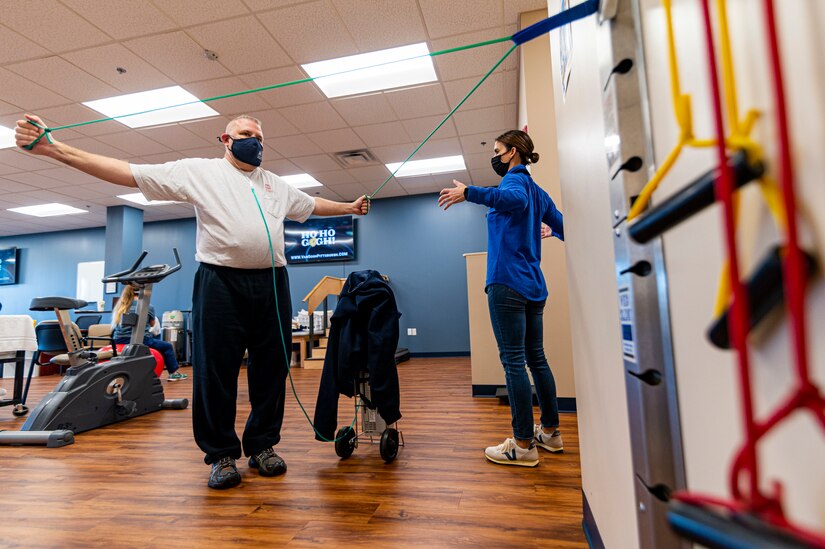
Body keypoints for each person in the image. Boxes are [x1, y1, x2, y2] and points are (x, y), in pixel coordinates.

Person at [15, 113, 369, 489]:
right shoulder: (201, 172)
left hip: (271, 282)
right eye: (245, 134)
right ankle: (221, 455)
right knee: (215, 371)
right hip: (221, 282)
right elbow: (129, 172)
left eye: (260, 137)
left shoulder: (274, 185)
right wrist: (54, 150)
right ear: (225, 140)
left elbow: (311, 205)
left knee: (271, 370)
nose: (255, 142)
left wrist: (349, 207)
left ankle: (262, 446)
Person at [438, 129, 564, 467]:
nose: (494, 156)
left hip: (508, 284)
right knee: (536, 359)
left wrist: (470, 192)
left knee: (513, 363)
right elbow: (565, 226)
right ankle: (550, 432)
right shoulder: (540, 193)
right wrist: (552, 230)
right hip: (534, 287)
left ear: (512, 153)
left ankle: (522, 445)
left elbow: (514, 201)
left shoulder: (516, 183)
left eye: (497, 150)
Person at [111, 284, 187, 381]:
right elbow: (152, 324)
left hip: (118, 340)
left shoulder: (119, 306)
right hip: (140, 339)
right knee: (167, 346)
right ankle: (173, 373)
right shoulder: (147, 306)